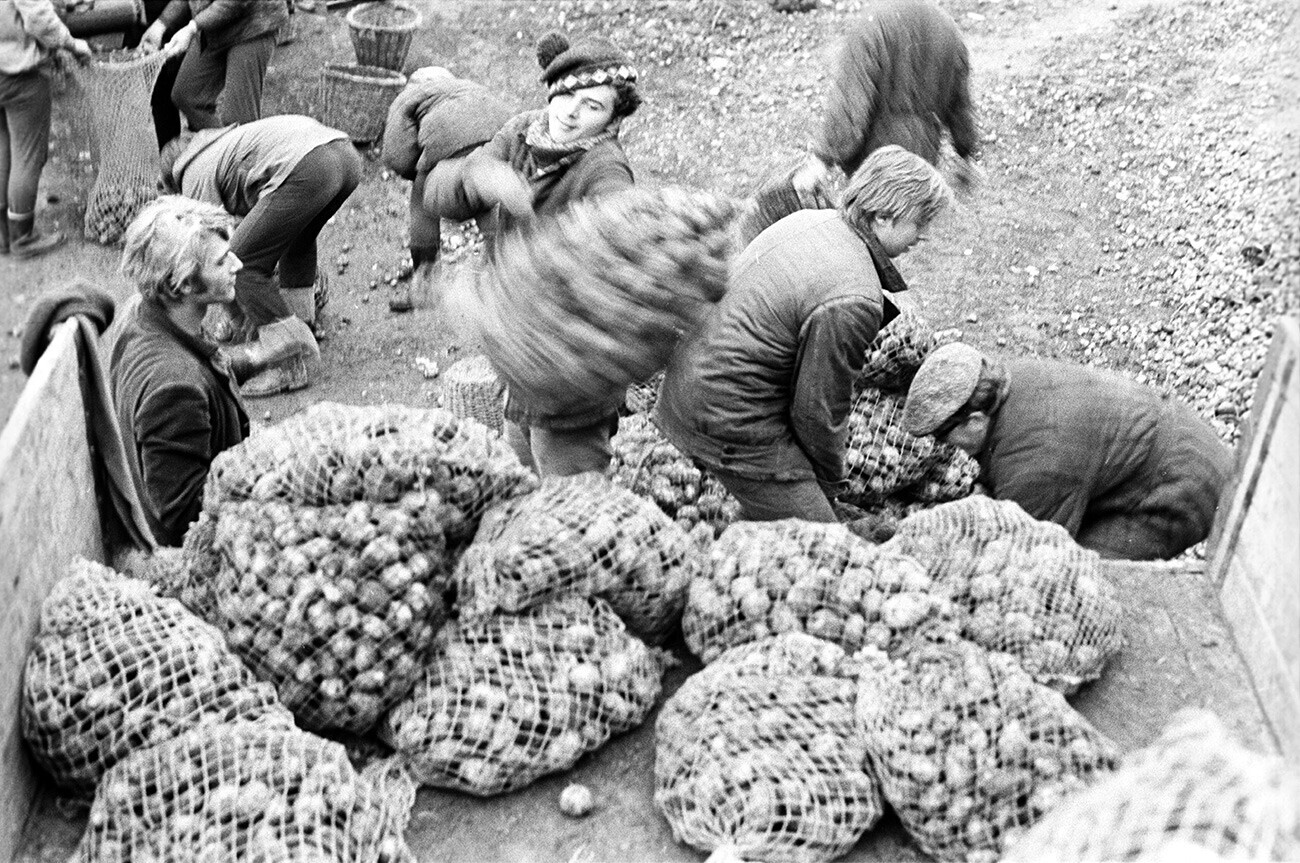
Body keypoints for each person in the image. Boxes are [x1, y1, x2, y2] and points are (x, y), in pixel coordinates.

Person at [653, 145, 952, 522]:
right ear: (882, 215)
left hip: (692, 385)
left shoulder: (811, 220)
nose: (923, 237)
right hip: (726, 416)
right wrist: (824, 486)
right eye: (920, 222)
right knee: (820, 542)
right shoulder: (854, 296)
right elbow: (818, 411)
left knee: (790, 512)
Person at [437, 29, 641, 476]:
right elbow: (440, 197)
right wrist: (478, 177)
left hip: (568, 363)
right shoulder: (522, 135)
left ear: (611, 122)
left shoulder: (605, 171)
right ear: (551, 89)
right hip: (522, 358)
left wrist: (510, 284)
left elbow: (613, 252)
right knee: (521, 459)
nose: (571, 112)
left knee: (568, 487)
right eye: (568, 95)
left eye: (593, 106)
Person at [901, 342, 1235, 560]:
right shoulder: (1011, 377)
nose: (945, 448)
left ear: (974, 420)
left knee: (1081, 578)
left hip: (1182, 484)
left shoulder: (1035, 461)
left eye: (945, 437)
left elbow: (1030, 552)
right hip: (1179, 438)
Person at [112, 196, 305, 546]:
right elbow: (182, 517)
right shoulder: (175, 390)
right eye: (220, 262)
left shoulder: (147, 316)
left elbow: (202, 365)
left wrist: (259, 355)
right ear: (184, 284)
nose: (237, 264)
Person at [161, 114, 361, 397]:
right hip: (344, 155)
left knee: (240, 263)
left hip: (310, 165)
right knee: (298, 240)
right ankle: (301, 324)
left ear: (173, 179)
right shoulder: (221, 145)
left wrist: (238, 321)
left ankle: (289, 362)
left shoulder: (193, 173)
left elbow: (216, 253)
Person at [791, 0, 980, 207]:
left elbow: (850, 103)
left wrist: (821, 162)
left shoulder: (873, 24)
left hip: (876, 159)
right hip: (922, 159)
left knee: (871, 226)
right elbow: (960, 105)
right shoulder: (948, 29)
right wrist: (965, 153)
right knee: (905, 226)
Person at [380, 65, 514, 312]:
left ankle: (426, 290)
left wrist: (419, 175)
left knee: (422, 210)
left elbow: (396, 153)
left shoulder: (411, 97)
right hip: (499, 139)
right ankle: (505, 282)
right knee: (486, 203)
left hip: (446, 145)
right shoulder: (467, 88)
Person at [0, 0, 91, 258]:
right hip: (20, 74)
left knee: (3, 149)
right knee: (28, 157)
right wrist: (72, 44)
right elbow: (38, 18)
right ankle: (22, 238)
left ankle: (3, 235)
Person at [138, 0, 287, 131]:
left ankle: (242, 157)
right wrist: (161, 24)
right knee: (186, 96)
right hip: (214, 29)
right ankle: (219, 152)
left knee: (239, 118)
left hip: (252, 26)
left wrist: (192, 28)